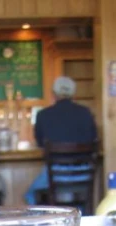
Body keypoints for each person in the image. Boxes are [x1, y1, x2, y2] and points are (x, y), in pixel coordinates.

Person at [25, 76, 98, 206]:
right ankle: (79, 217)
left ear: (53, 94)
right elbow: (93, 138)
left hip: (55, 176)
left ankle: (46, 223)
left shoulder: (43, 115)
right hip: (84, 176)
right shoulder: (86, 113)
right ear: (73, 93)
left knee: (30, 194)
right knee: (78, 194)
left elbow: (40, 143)